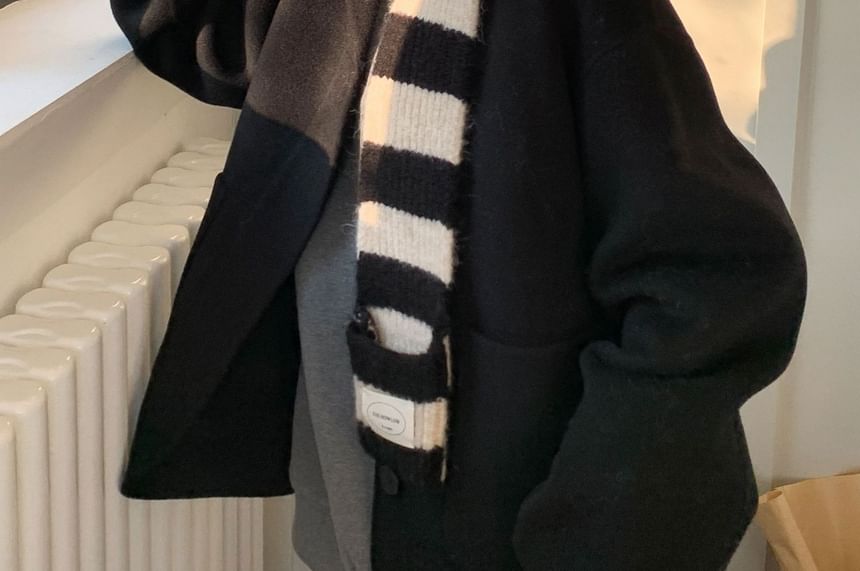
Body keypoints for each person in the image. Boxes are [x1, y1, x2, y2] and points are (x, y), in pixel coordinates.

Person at [110, 1, 808, 569]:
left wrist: (593, 532)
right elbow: (207, 40)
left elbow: (716, 277)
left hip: (494, 507)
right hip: (350, 481)